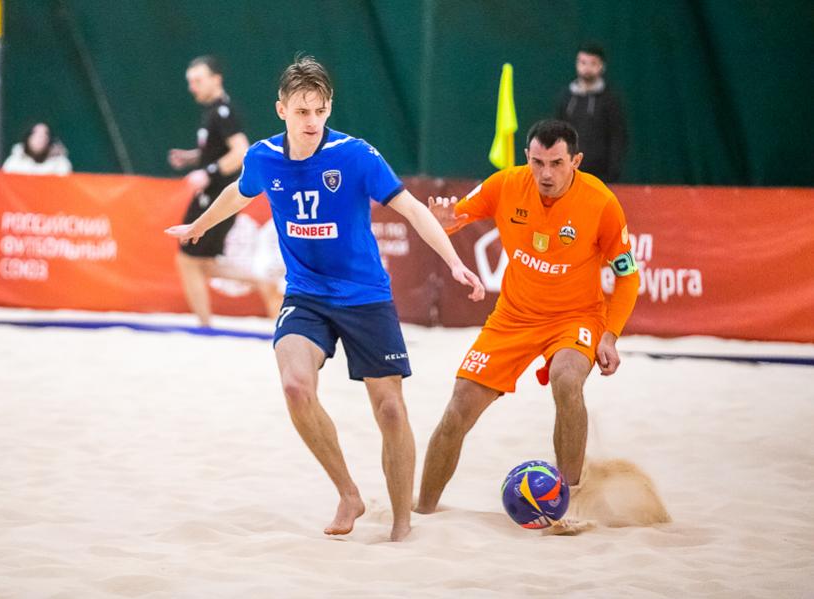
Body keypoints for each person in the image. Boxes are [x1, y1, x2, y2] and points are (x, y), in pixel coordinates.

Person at [166, 55, 485, 541]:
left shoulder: (356, 155)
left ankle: (401, 528)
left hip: (365, 296)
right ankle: (349, 494)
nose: (312, 121)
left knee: (390, 409)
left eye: (319, 110)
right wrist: (198, 225)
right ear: (281, 110)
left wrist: (454, 261)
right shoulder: (263, 157)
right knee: (295, 387)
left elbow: (413, 210)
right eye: (301, 111)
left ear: (329, 107)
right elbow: (238, 192)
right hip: (306, 295)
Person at [414, 120, 640, 534]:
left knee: (566, 378)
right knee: (459, 405)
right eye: (537, 162)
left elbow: (627, 276)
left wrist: (610, 335)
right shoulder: (506, 184)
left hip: (575, 318)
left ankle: (568, 503)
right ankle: (421, 511)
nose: (546, 174)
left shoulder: (601, 202)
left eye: (556, 163)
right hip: (513, 317)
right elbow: (455, 216)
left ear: (576, 161)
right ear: (526, 158)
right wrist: (443, 220)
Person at [168, 55, 250, 327]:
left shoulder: (223, 112)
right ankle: (265, 280)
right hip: (213, 194)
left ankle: (205, 327)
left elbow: (241, 152)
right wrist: (193, 157)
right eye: (190, 81)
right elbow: (218, 150)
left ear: (216, 79)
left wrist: (207, 172)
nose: (192, 87)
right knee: (201, 262)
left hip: (217, 197)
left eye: (198, 80)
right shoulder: (213, 112)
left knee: (189, 260)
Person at [555, 44, 627, 183]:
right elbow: (558, 133)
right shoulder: (566, 97)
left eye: (593, 63)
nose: (587, 68)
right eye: (583, 62)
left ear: (601, 66)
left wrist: (613, 171)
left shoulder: (610, 99)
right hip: (569, 170)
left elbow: (618, 136)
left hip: (601, 174)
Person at [1, 122, 72, 175]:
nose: (40, 139)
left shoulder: (60, 164)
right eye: (35, 134)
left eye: (45, 134)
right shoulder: (14, 163)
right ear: (27, 138)